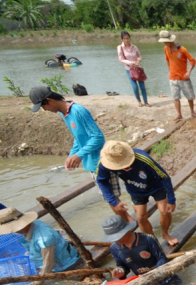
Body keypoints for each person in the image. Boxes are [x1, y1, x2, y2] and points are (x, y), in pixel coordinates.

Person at [28, 86, 130, 222]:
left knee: (113, 199)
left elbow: (98, 137)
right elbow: (78, 137)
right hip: (91, 163)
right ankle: (127, 223)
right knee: (110, 199)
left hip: (101, 162)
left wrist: (79, 155)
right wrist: (72, 154)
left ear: (49, 100)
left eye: (43, 106)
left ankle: (128, 224)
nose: (45, 110)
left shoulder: (78, 111)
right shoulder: (64, 113)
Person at [96, 141, 178, 246]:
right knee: (140, 217)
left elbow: (164, 176)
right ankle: (152, 241)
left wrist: (171, 199)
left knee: (165, 212)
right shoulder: (104, 164)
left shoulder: (143, 159)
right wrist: (113, 201)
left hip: (156, 185)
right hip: (135, 189)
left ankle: (165, 233)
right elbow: (101, 181)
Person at [0, 207, 81, 285]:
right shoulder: (35, 223)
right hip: (50, 256)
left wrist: (38, 281)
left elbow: (50, 263)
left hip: (65, 266)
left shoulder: (44, 239)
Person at [102, 215, 182, 285]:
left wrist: (151, 275)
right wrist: (120, 272)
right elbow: (122, 266)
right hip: (145, 284)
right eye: (114, 238)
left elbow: (162, 258)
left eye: (119, 236)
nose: (118, 240)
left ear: (127, 230)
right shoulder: (114, 248)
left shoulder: (147, 239)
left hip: (164, 277)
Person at [158, 30, 196, 121]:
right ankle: (179, 114)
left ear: (170, 40)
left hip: (183, 78)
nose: (165, 43)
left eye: (166, 41)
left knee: (190, 96)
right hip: (173, 78)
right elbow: (167, 59)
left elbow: (193, 61)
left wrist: (188, 72)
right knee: (175, 97)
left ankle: (192, 111)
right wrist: (169, 70)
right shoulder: (166, 49)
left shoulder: (182, 50)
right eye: (164, 41)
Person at [117, 31, 150, 107]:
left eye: (128, 38)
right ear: (122, 39)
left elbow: (140, 56)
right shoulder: (120, 48)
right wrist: (132, 62)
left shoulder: (134, 47)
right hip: (129, 69)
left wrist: (139, 59)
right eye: (124, 38)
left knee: (142, 86)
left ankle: (146, 102)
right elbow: (121, 59)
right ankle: (138, 101)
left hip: (138, 68)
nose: (126, 40)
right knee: (135, 87)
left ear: (130, 38)